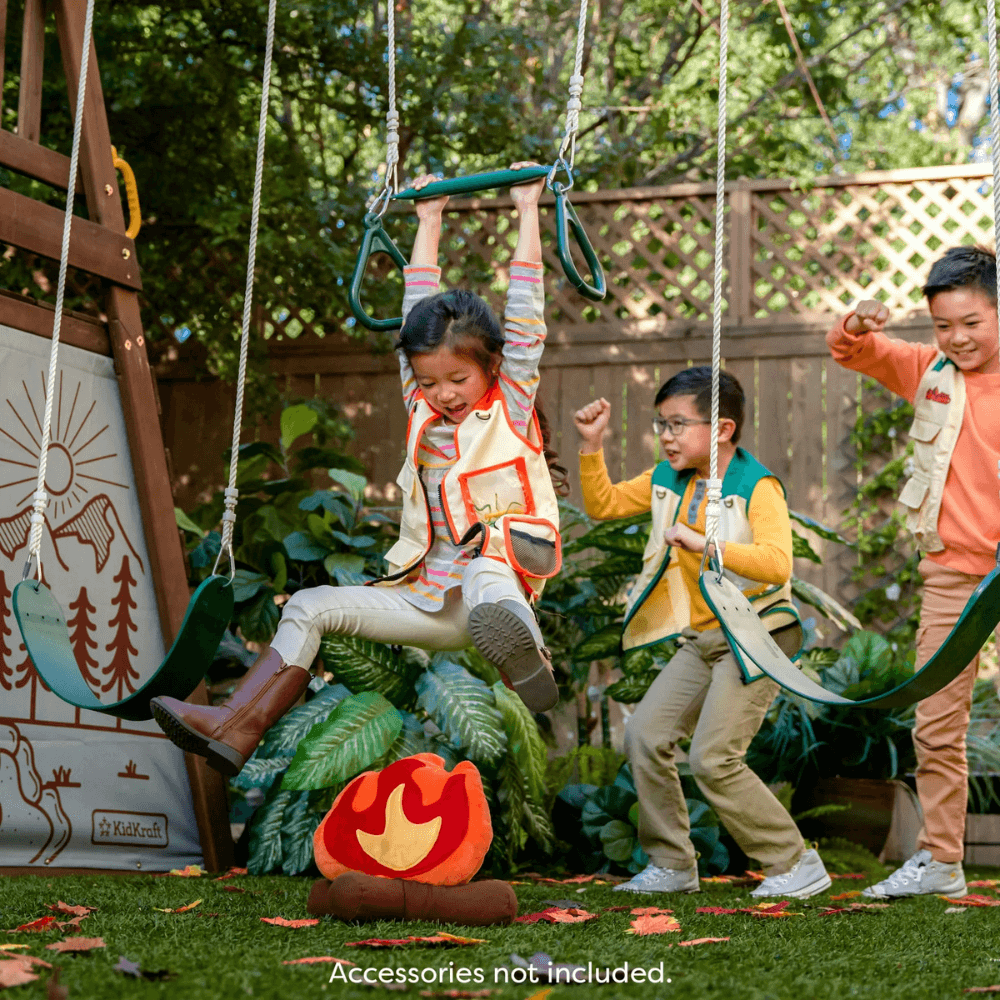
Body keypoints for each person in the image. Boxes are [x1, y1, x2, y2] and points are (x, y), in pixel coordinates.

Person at [151, 163, 563, 776]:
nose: (444, 393)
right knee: (310, 605)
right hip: (428, 598)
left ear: (493, 366)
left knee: (486, 576)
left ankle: (524, 652)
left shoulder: (513, 403)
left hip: (495, 585)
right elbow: (416, 308)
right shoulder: (421, 406)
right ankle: (236, 726)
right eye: (430, 381)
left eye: (458, 378)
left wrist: (529, 209)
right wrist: (428, 218)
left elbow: (526, 313)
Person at [573, 368, 831, 898]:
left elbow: (777, 563)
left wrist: (705, 544)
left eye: (677, 424)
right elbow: (603, 505)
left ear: (723, 429)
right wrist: (592, 445)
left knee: (713, 758)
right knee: (645, 735)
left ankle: (794, 862)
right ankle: (672, 864)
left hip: (756, 634)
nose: (665, 437)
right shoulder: (668, 478)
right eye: (661, 425)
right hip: (705, 639)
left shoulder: (756, 486)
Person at [826, 245, 1000, 900]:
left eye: (972, 323)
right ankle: (941, 859)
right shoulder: (930, 371)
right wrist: (856, 323)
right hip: (954, 574)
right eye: (943, 325)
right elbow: (852, 351)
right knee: (936, 723)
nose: (957, 338)